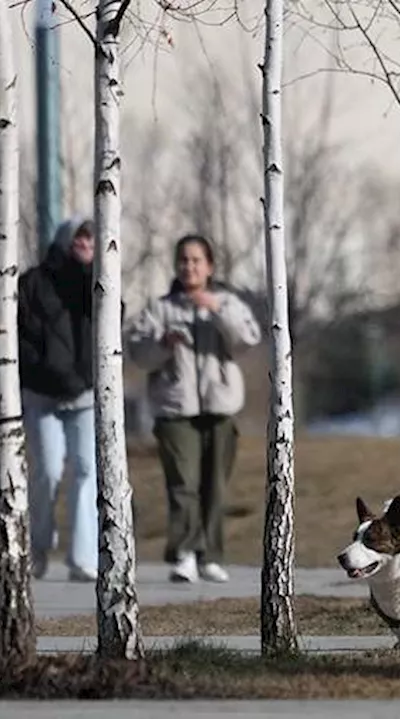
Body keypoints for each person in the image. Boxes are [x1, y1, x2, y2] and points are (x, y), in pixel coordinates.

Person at [126, 234, 261, 583]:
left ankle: (210, 556)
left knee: (214, 484)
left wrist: (216, 311)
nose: (189, 266)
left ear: (210, 266)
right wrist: (163, 344)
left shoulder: (227, 303)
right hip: (175, 411)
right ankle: (184, 554)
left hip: (220, 408)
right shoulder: (161, 309)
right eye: (183, 260)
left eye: (197, 260)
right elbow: (139, 353)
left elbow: (247, 339)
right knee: (183, 483)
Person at [17, 216, 98, 582]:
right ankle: (39, 545)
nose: (85, 243)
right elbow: (19, 336)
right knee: (48, 470)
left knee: (87, 471)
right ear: (65, 239)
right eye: (79, 236)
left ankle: (82, 556)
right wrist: (42, 369)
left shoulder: (100, 283)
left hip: (84, 395)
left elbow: (116, 319)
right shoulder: (33, 282)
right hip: (42, 395)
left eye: (91, 238)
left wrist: (94, 276)